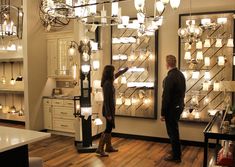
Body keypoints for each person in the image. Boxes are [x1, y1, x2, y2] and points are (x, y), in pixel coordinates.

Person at [96, 65, 128, 157]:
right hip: (108, 111)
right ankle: (100, 148)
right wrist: (108, 114)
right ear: (110, 73)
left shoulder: (110, 81)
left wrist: (125, 70)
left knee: (109, 128)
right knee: (108, 128)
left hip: (110, 110)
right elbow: (106, 100)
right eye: (113, 71)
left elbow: (117, 74)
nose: (114, 73)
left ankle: (108, 147)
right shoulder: (107, 84)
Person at [161, 55, 186, 163]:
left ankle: (176, 156)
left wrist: (162, 113)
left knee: (172, 132)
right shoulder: (181, 75)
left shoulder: (170, 77)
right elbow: (183, 92)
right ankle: (176, 152)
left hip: (171, 109)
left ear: (167, 64)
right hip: (179, 106)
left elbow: (166, 97)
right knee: (174, 130)